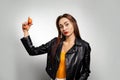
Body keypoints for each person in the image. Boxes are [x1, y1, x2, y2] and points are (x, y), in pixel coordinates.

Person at [20, 13, 91, 80]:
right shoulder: (55, 42)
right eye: (61, 26)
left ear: (73, 24)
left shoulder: (84, 46)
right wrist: (26, 31)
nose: (64, 28)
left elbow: (86, 71)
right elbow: (32, 51)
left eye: (67, 24)